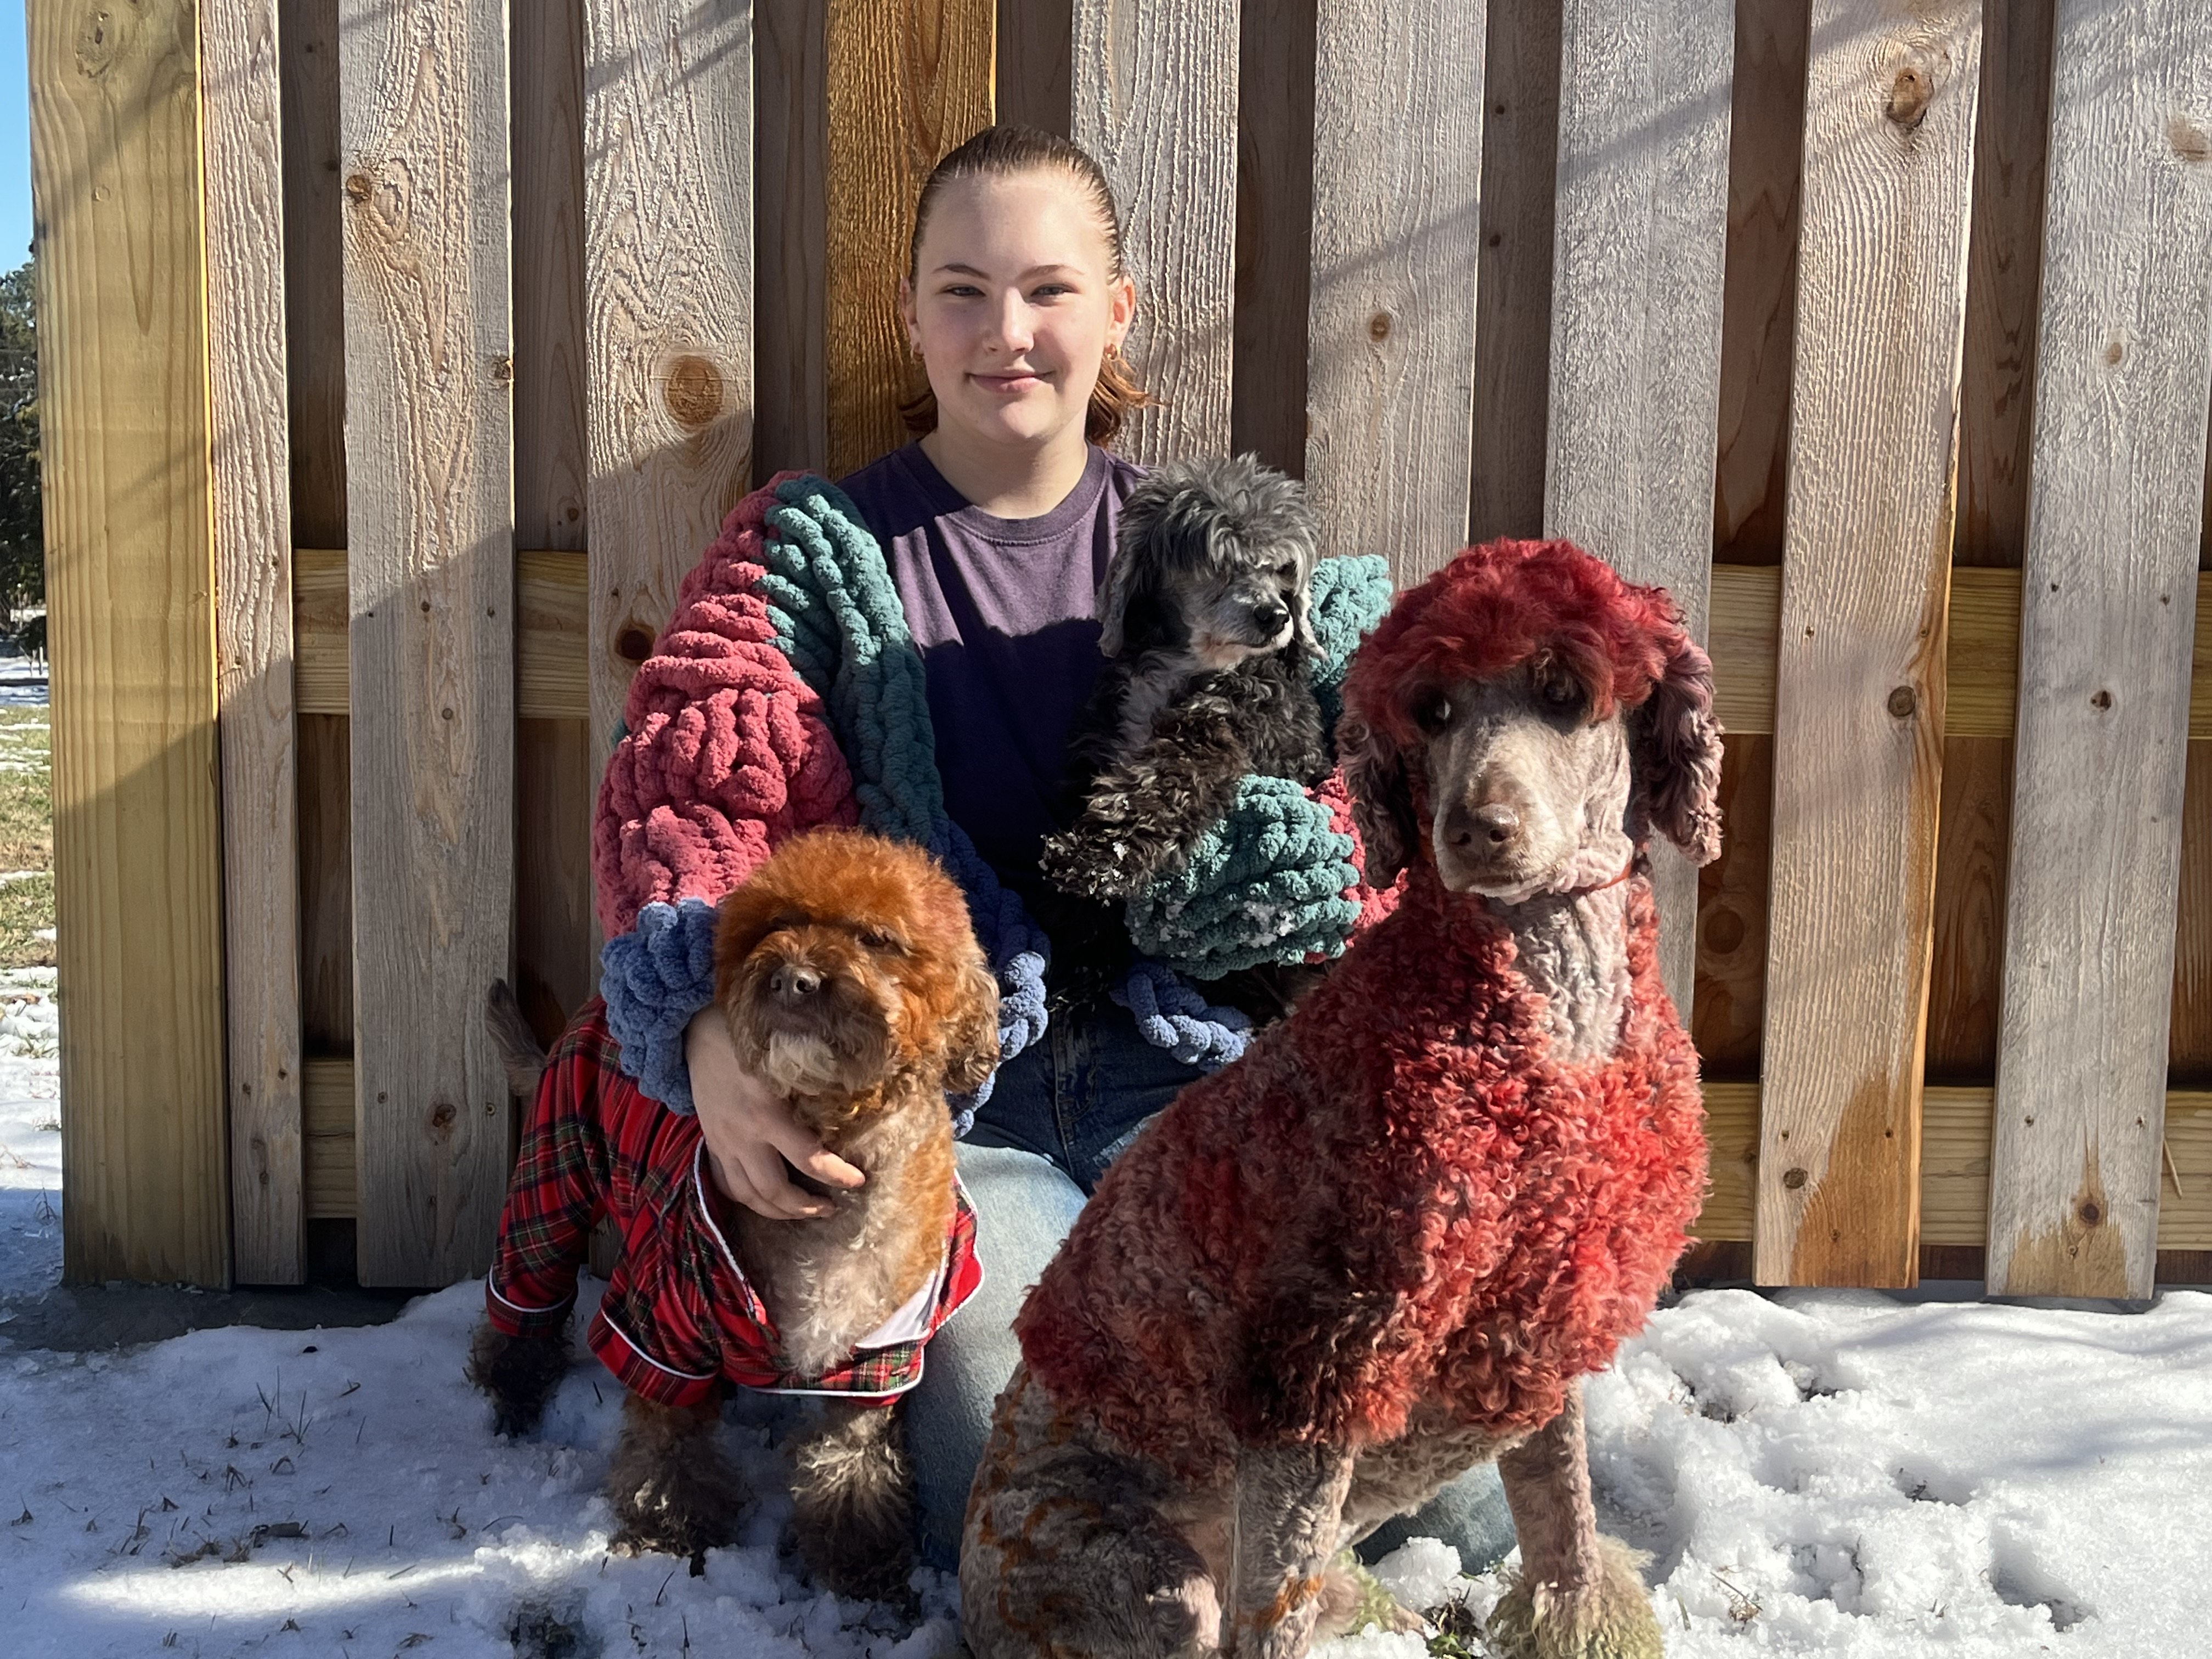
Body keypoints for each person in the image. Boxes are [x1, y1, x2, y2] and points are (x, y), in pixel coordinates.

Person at [667, 125, 1514, 1576]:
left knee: (1431, 1477)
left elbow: (1363, 799)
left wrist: (1267, 875)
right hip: (943, 1102)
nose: (1008, 332)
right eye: (963, 289)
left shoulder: (1208, 552)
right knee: (1024, 1471)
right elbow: (698, 787)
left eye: (1049, 289)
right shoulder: (816, 549)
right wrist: (699, 1033)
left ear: (1116, 312)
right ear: (911, 316)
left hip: (1182, 1079)